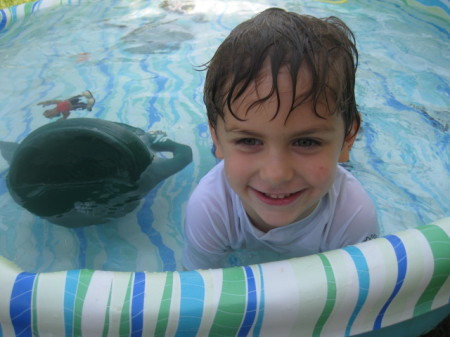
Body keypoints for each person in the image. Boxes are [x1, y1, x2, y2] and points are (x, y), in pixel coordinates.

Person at [183, 8, 379, 270]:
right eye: (249, 141)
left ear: (348, 139)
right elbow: (197, 288)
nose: (276, 174)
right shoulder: (210, 208)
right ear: (216, 138)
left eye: (306, 142)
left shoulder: (352, 215)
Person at [1, 118, 192, 227]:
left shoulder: (27, 167)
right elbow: (185, 155)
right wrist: (166, 144)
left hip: (28, 185)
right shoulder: (145, 176)